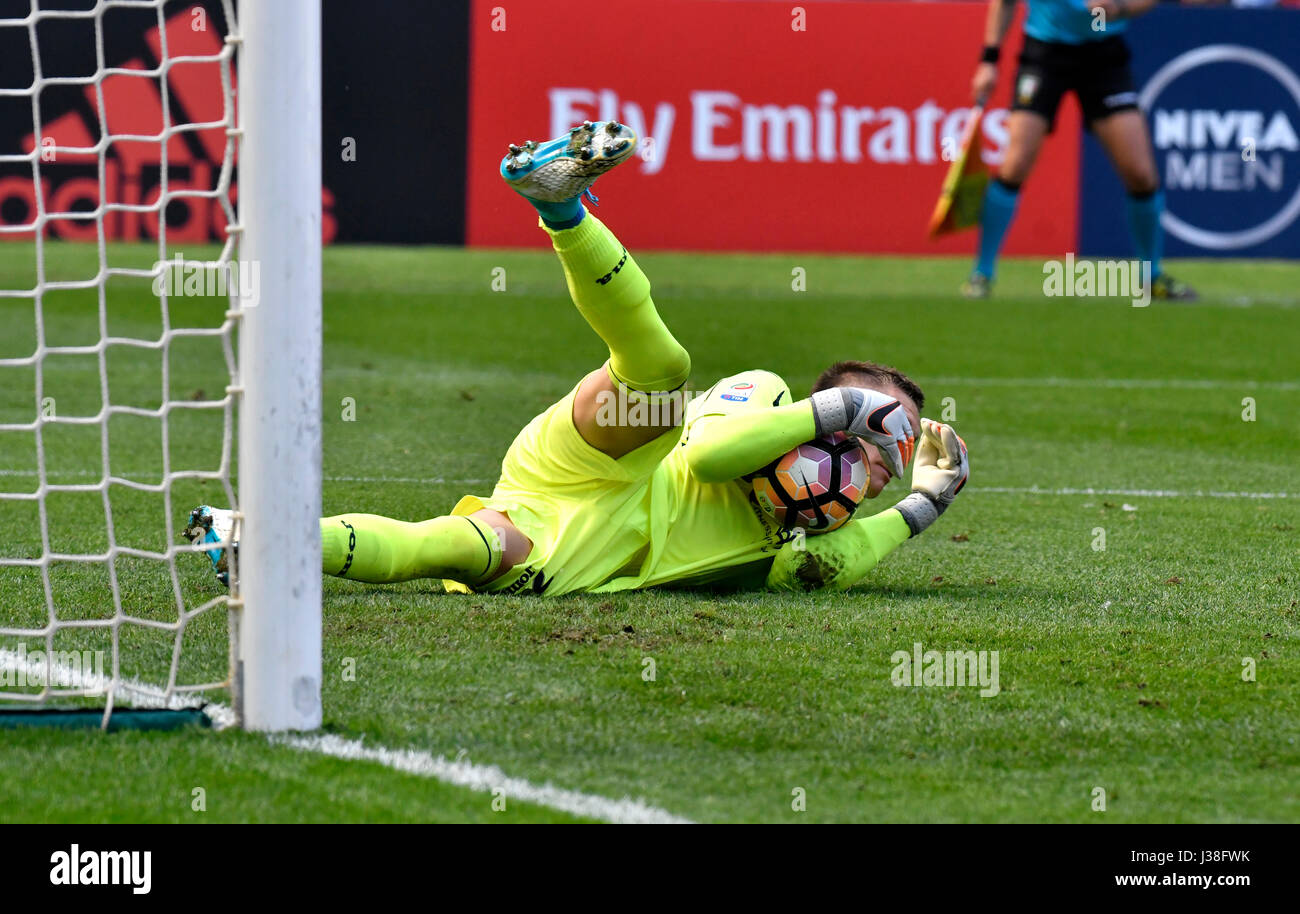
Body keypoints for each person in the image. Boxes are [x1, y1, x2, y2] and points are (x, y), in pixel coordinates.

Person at [187, 122, 969, 596]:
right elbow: (713, 456)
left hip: (588, 548)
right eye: (859, 439)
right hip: (608, 461)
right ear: (824, 411)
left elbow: (850, 556)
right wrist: (839, 412)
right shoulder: (764, 395)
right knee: (662, 374)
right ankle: (560, 204)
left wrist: (926, 502)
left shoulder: (790, 552)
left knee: (460, 548)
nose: (861, 473)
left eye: (879, 466)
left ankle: (250, 537)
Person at [964, 0, 1196, 300]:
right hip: (1044, 55)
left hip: (1103, 56)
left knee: (1140, 174)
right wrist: (989, 60)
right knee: (1014, 166)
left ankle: (1151, 277)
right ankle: (982, 274)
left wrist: (1120, 7)